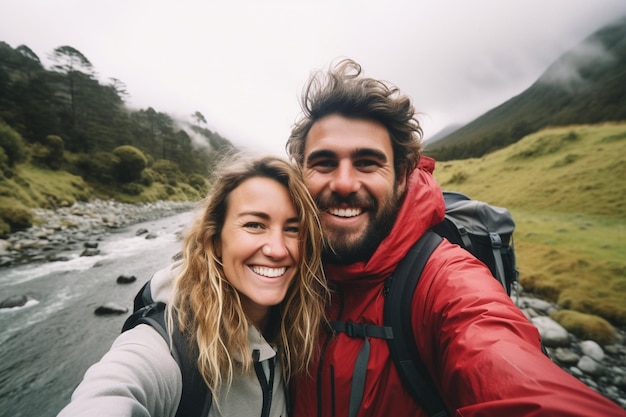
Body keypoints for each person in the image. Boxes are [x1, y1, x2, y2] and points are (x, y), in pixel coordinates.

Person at [285, 59, 626, 417]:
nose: (342, 183)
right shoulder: (282, 266)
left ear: (402, 176)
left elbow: (509, 369)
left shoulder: (445, 280)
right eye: (323, 162)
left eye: (368, 162)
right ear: (299, 174)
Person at [57, 155, 329, 417]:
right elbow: (112, 393)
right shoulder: (170, 344)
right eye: (255, 224)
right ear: (214, 241)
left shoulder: (295, 333)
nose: (278, 249)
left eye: (293, 229)